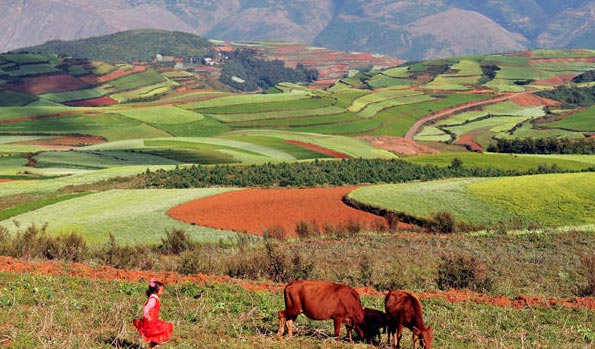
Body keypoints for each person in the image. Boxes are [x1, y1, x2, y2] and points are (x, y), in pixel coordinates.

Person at [133, 278, 173, 348]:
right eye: (161, 291)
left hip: (154, 320)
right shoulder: (153, 299)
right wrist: (148, 317)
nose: (162, 292)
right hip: (151, 321)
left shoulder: (154, 298)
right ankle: (150, 347)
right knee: (162, 332)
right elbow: (146, 309)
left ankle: (150, 347)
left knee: (156, 337)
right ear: (155, 291)